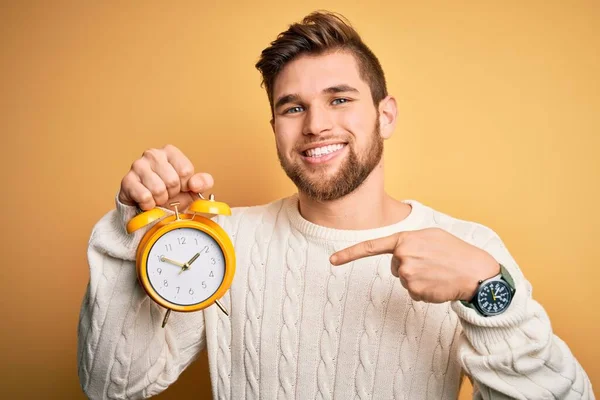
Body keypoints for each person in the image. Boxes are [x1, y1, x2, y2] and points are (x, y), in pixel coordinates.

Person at [77, 10, 594, 400]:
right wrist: (133, 228)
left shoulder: (469, 249)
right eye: (293, 107)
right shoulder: (224, 243)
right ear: (275, 128)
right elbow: (112, 386)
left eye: (340, 98)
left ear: (385, 114)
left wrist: (487, 291)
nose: (316, 124)